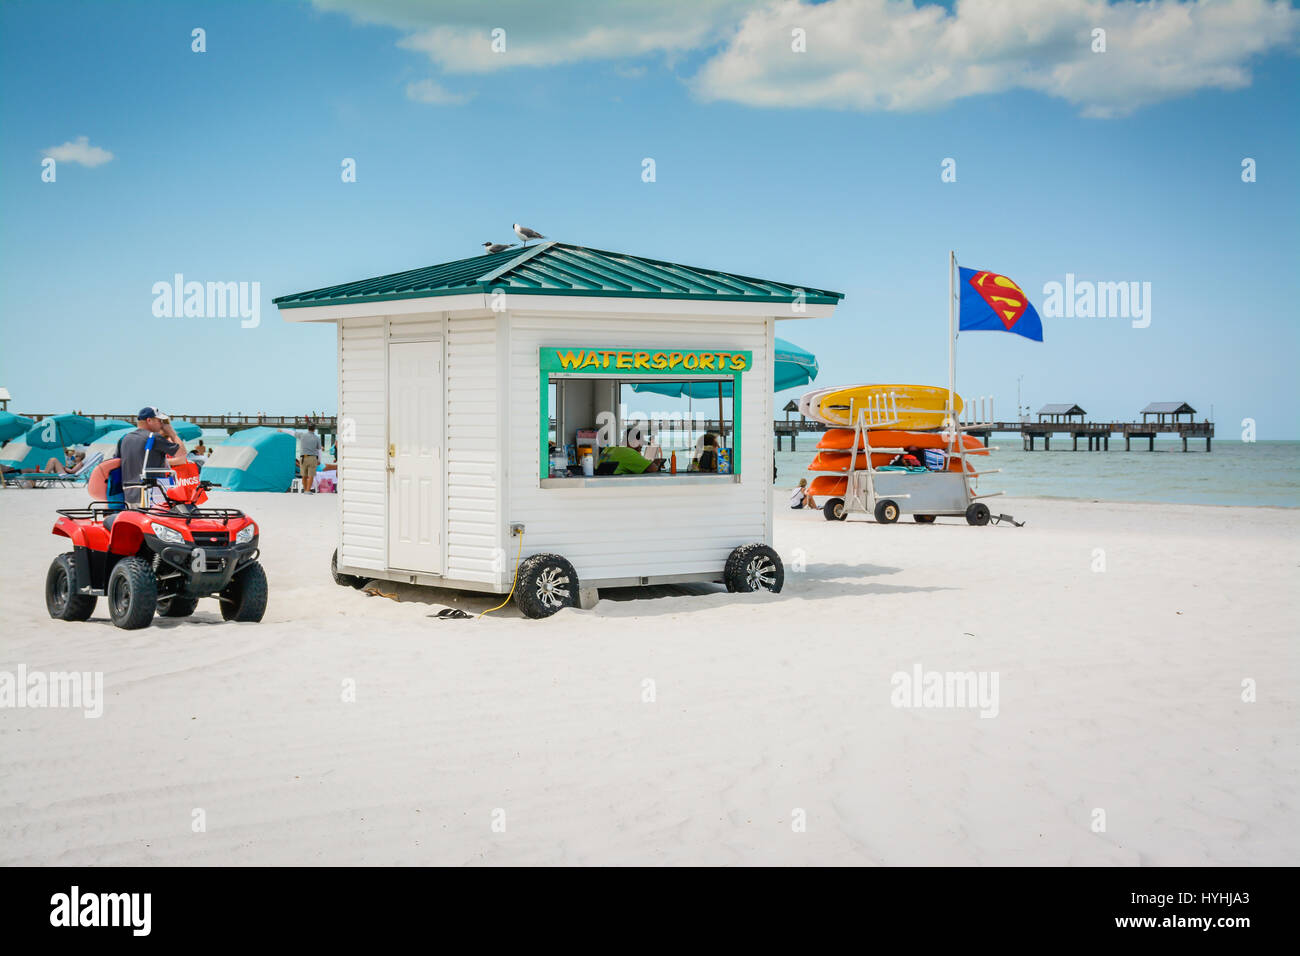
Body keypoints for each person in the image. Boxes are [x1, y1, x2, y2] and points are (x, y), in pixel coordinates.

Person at [117, 407, 186, 509]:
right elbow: (181, 453)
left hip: (129, 494)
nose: (161, 424)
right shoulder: (153, 437)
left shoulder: (125, 438)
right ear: (149, 420)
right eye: (159, 420)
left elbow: (117, 462)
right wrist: (172, 432)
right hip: (152, 495)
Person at [290, 423, 322, 492]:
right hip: (313, 458)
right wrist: (319, 460)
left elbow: (292, 432)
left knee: (304, 476)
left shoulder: (302, 435)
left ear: (308, 428)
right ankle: (308, 490)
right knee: (311, 476)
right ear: (314, 429)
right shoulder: (317, 438)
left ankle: (305, 490)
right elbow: (319, 450)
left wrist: (282, 430)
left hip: (303, 457)